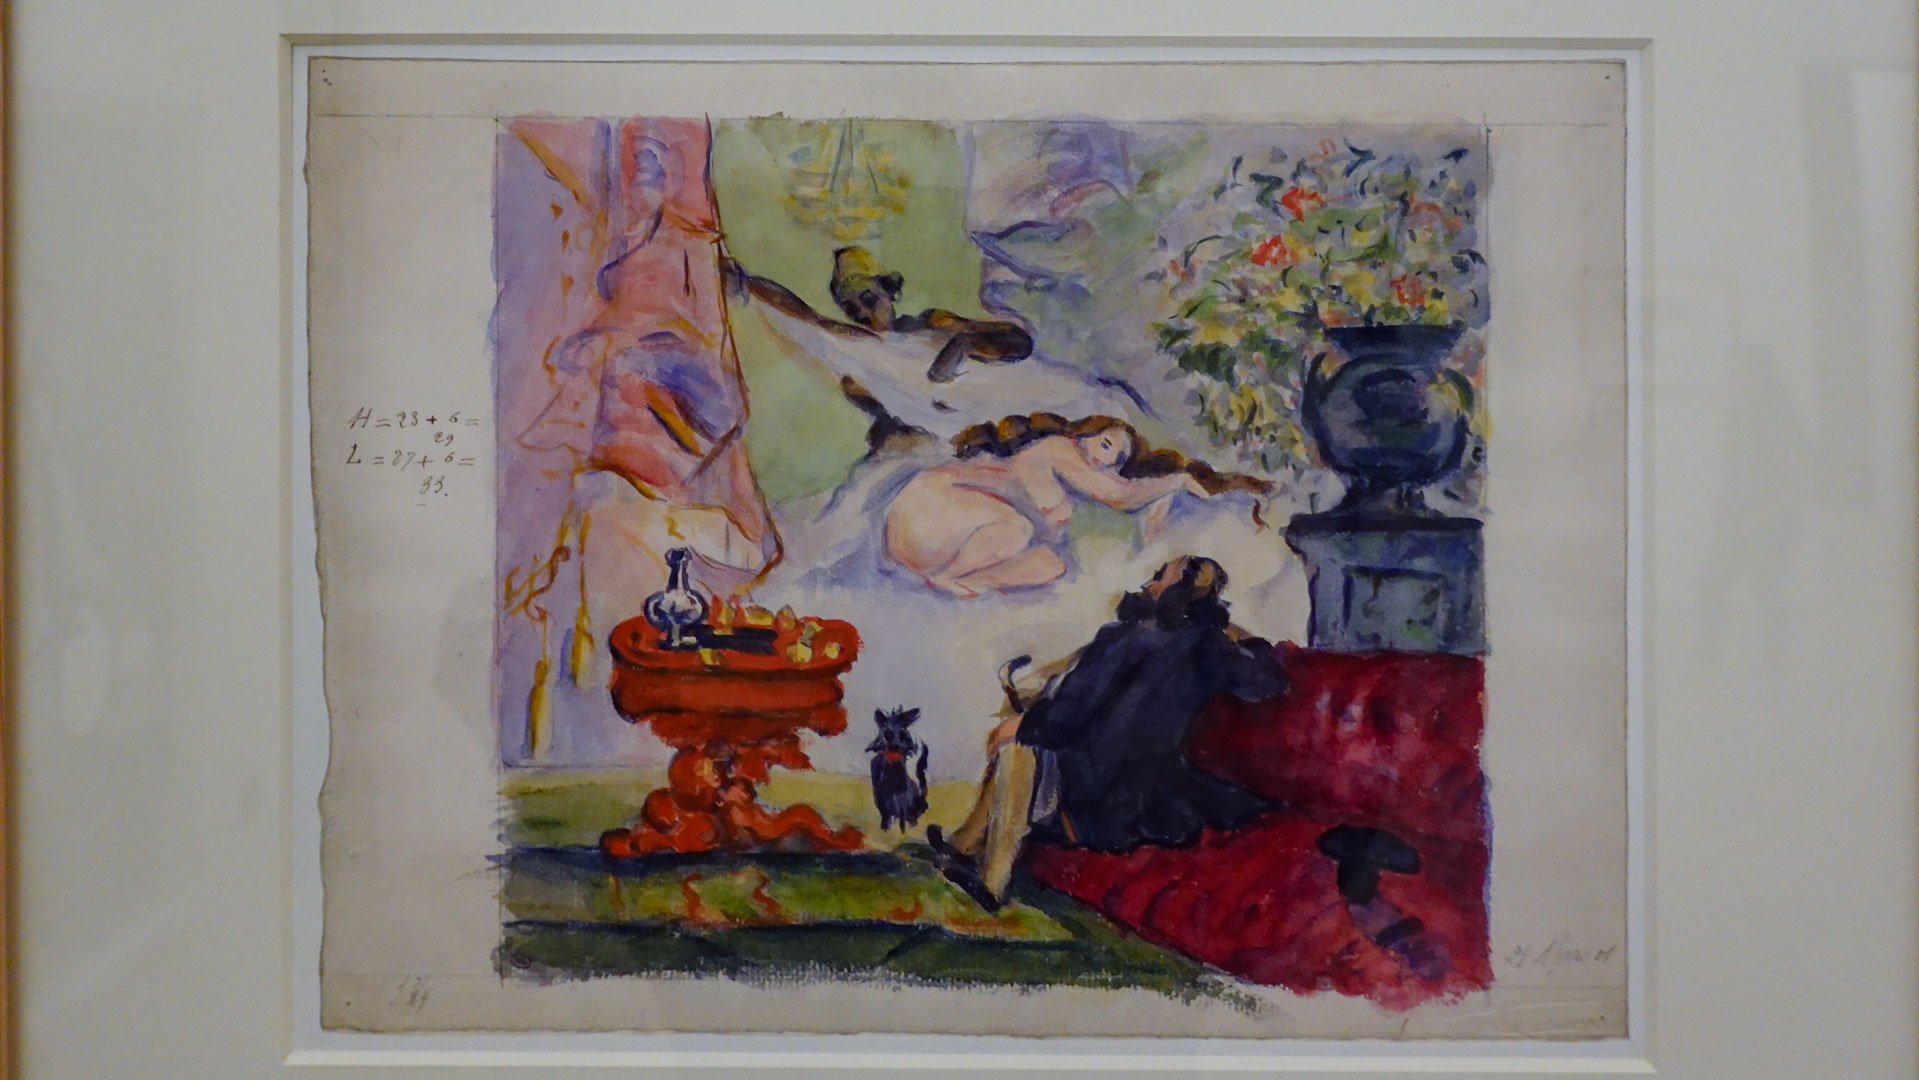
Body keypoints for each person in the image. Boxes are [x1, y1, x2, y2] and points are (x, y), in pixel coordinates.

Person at [926, 555, 1289, 908]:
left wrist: (1021, 724)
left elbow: (1068, 716)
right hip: (1135, 799)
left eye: (1159, 576)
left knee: (1018, 748)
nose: (1148, 582)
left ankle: (991, 881)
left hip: (1098, 797)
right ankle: (963, 847)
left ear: (1176, 591)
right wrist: (1237, 634)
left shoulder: (1123, 639)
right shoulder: (1210, 647)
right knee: (1020, 747)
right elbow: (1268, 678)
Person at [882, 413, 1269, 598]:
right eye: (1105, 443)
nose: (1104, 459)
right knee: (1018, 529)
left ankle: (966, 579)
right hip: (929, 513)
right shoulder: (1059, 448)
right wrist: (1178, 480)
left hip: (940, 540)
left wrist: (1163, 498)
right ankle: (950, 576)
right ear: (1085, 433)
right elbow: (1120, 495)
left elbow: (1128, 494)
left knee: (1051, 564)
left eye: (1116, 459)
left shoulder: (1070, 478)